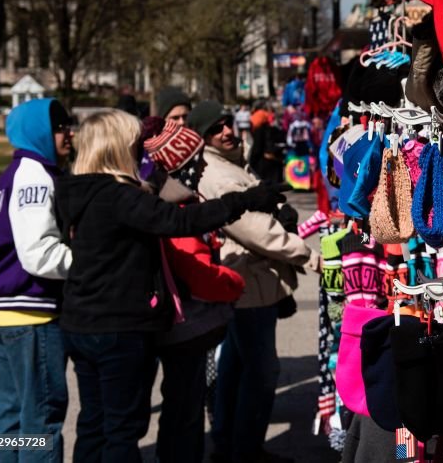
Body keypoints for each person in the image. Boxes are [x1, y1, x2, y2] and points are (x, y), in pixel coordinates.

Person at [54, 109, 286, 463]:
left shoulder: (75, 191)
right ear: (117, 148)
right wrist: (244, 201)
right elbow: (178, 221)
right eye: (134, 146)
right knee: (121, 428)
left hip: (80, 323)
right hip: (118, 327)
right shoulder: (119, 196)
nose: (139, 154)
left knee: (94, 422)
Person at [187, 100, 319, 463]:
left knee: (235, 365)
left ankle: (228, 444)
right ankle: (245, 450)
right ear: (202, 137)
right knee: (262, 371)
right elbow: (255, 231)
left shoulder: (227, 163)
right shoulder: (217, 174)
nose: (226, 131)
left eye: (227, 123)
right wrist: (312, 257)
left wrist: (278, 208)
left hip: (245, 281)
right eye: (216, 128)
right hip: (248, 284)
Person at [0, 99, 75, 461]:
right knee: (40, 421)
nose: (69, 132)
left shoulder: (10, 176)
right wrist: (92, 263)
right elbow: (38, 254)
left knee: (6, 419)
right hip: (28, 313)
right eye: (60, 126)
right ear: (39, 131)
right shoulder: (35, 176)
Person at [142, 118, 247, 463]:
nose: (203, 165)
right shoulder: (178, 208)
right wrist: (234, 282)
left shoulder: (171, 202)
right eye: (197, 159)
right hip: (187, 327)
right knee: (184, 411)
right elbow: (196, 271)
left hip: (184, 324)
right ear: (180, 164)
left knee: (180, 406)